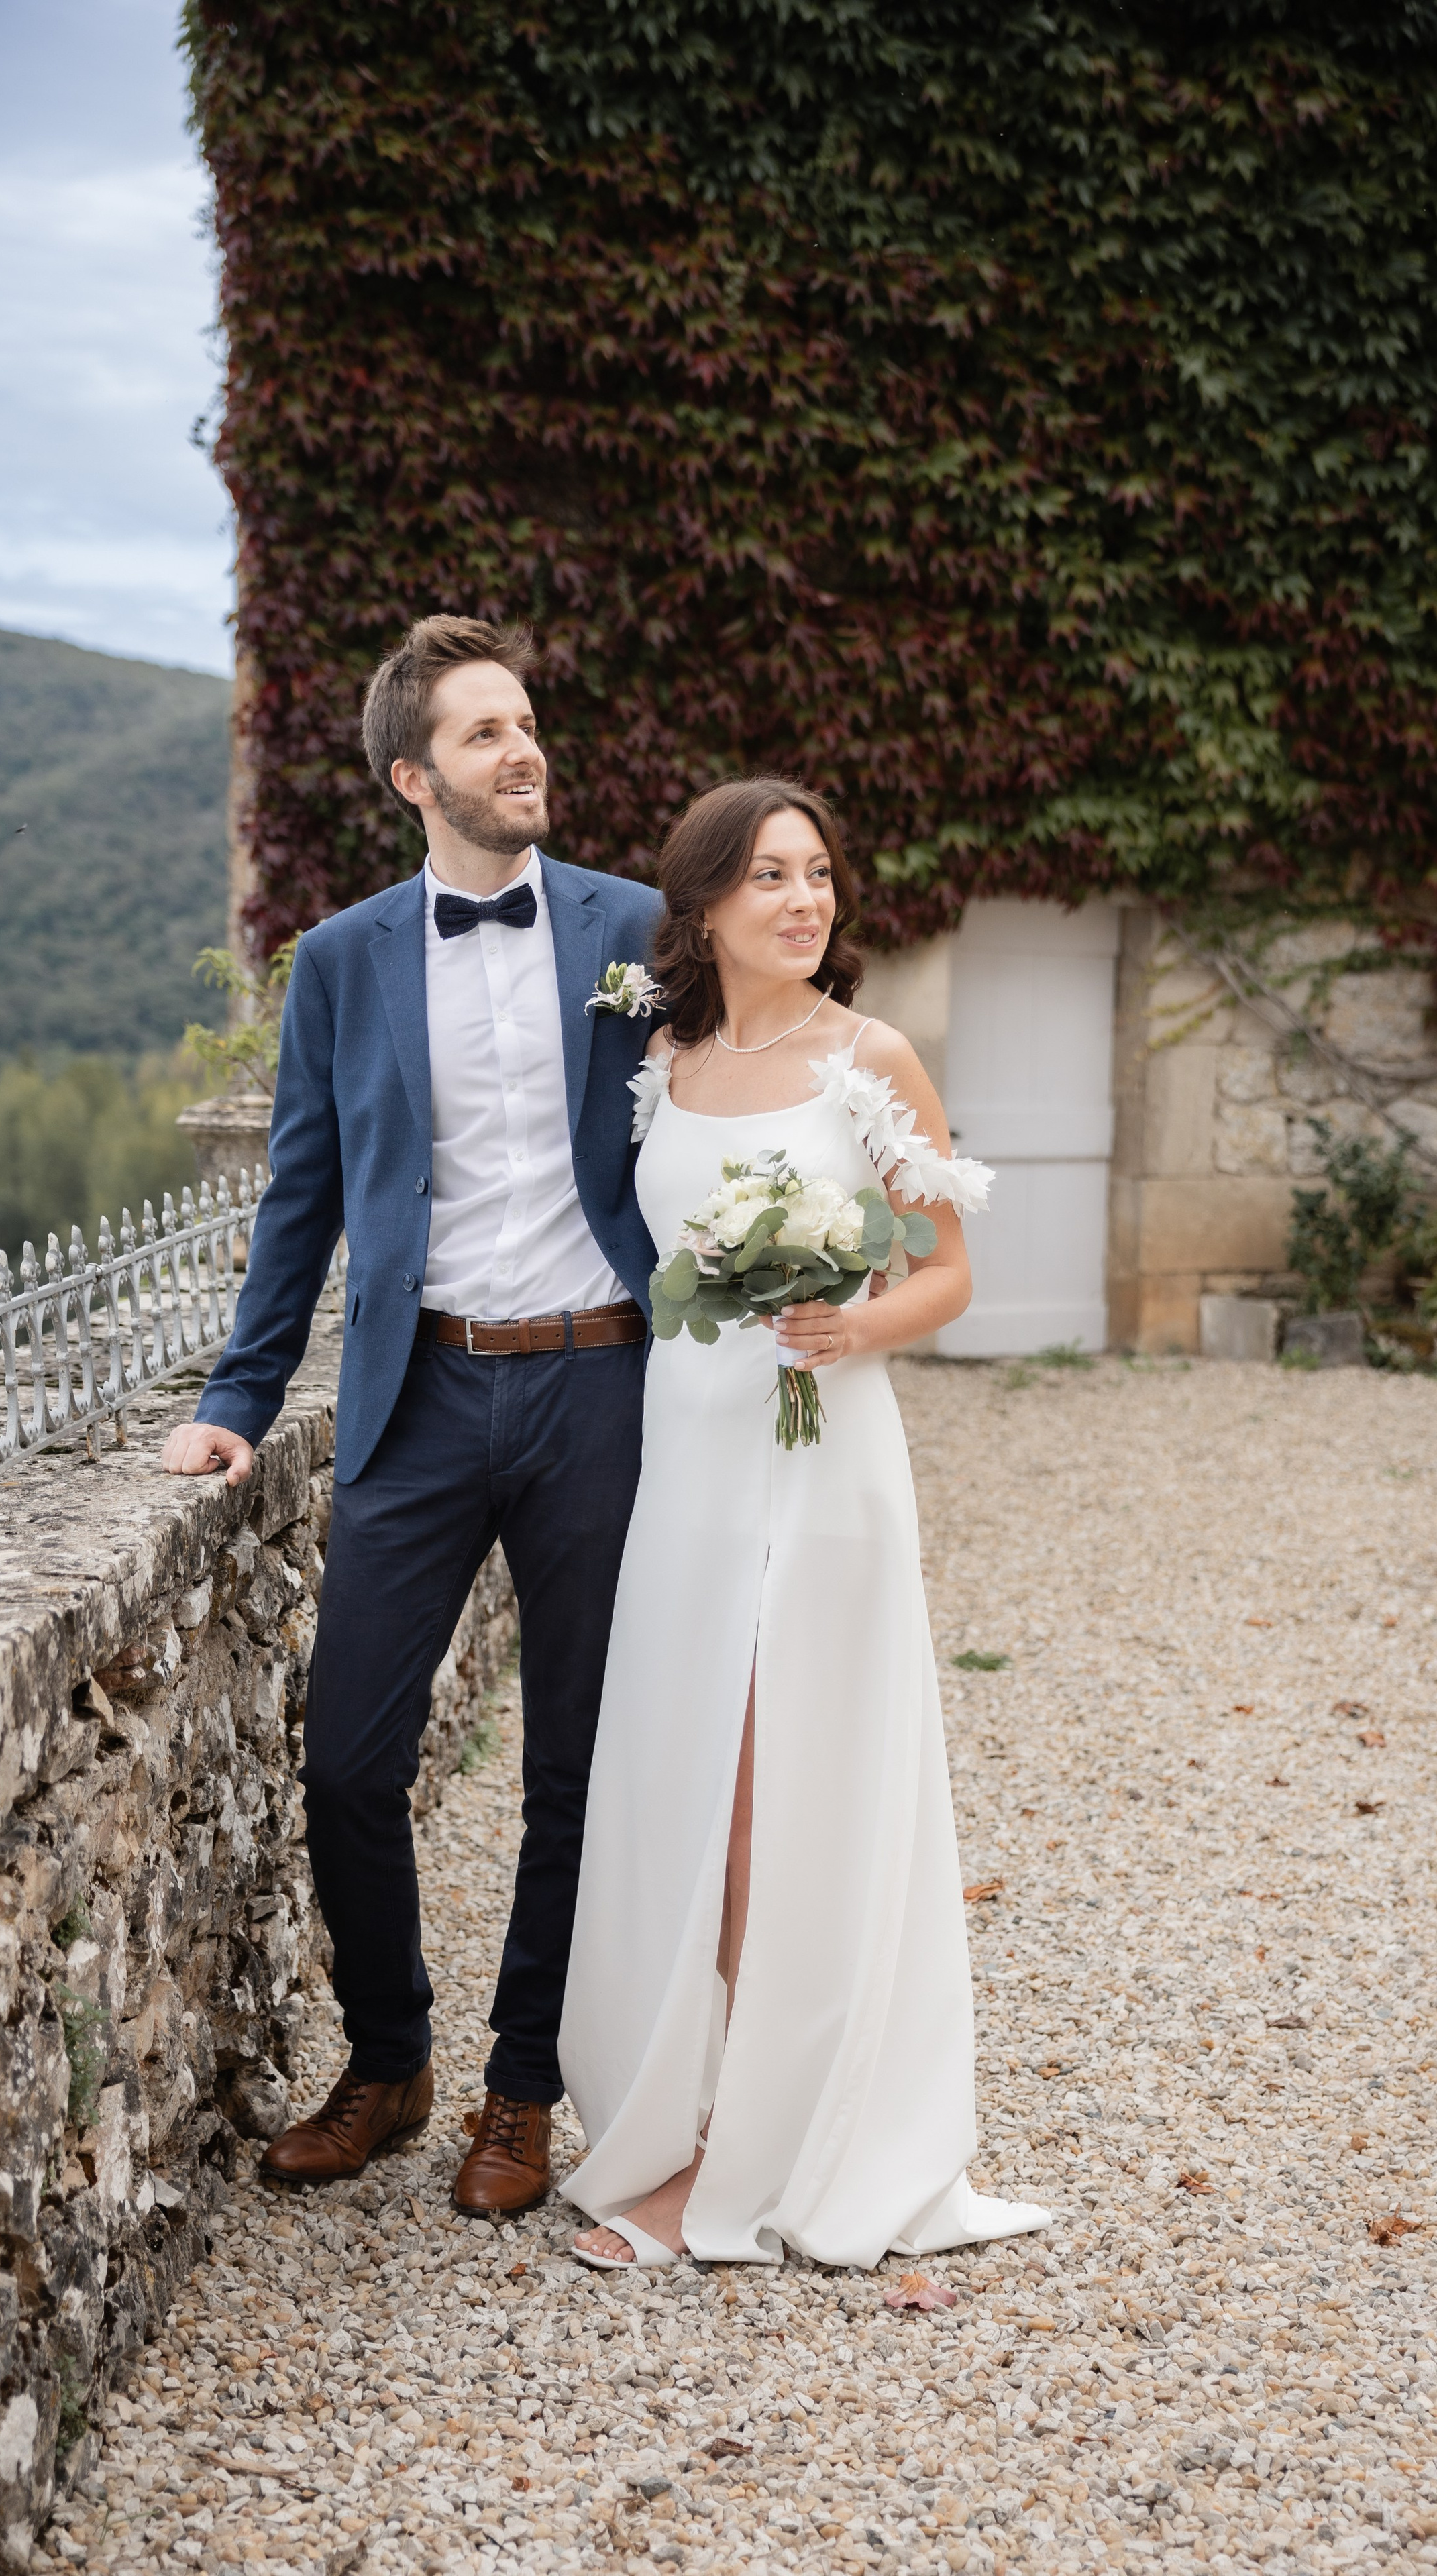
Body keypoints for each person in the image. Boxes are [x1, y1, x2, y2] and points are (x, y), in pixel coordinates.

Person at [160, 614, 662, 2214]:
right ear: (411, 777)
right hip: (420, 1390)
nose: (523, 752)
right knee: (347, 1759)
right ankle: (390, 2062)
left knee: (575, 1761)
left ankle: (523, 2090)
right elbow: (300, 1193)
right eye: (484, 735)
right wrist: (240, 1397)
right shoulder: (346, 957)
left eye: (527, 723)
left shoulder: (638, 928)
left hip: (601, 1382)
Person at [559, 777, 1050, 2268]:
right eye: (768, 876)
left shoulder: (870, 1057)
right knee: (683, 1786)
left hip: (822, 1463)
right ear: (703, 905)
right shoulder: (661, 1059)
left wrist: (853, 1327)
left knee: (780, 1796)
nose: (803, 899)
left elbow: (948, 1271)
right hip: (688, 1473)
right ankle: (690, 2121)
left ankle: (738, 2163)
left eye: (818, 874)